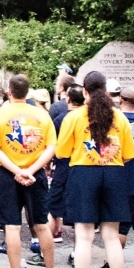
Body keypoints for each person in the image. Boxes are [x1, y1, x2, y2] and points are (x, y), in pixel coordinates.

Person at [57, 71, 134, 268]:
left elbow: (62, 152)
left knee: (84, 237)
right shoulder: (119, 117)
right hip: (113, 173)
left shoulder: (74, 117)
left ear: (85, 92)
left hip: (83, 173)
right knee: (111, 237)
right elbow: (129, 154)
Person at [0, 74, 60, 268]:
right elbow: (51, 147)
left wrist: (17, 171)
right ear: (28, 93)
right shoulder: (42, 115)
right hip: (35, 173)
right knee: (41, 224)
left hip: (9, 174)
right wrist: (31, 170)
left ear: (9, 91)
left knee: (12, 226)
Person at [91, 86, 134, 268]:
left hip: (122, 180)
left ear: (120, 100)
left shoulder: (116, 123)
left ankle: (111, 265)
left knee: (119, 226)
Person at [48, 85, 84, 245]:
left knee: (51, 207)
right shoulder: (89, 117)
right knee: (81, 214)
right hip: (83, 166)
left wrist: (48, 165)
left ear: (68, 98)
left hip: (62, 166)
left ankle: (45, 251)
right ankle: (77, 251)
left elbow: (52, 146)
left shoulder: (60, 119)